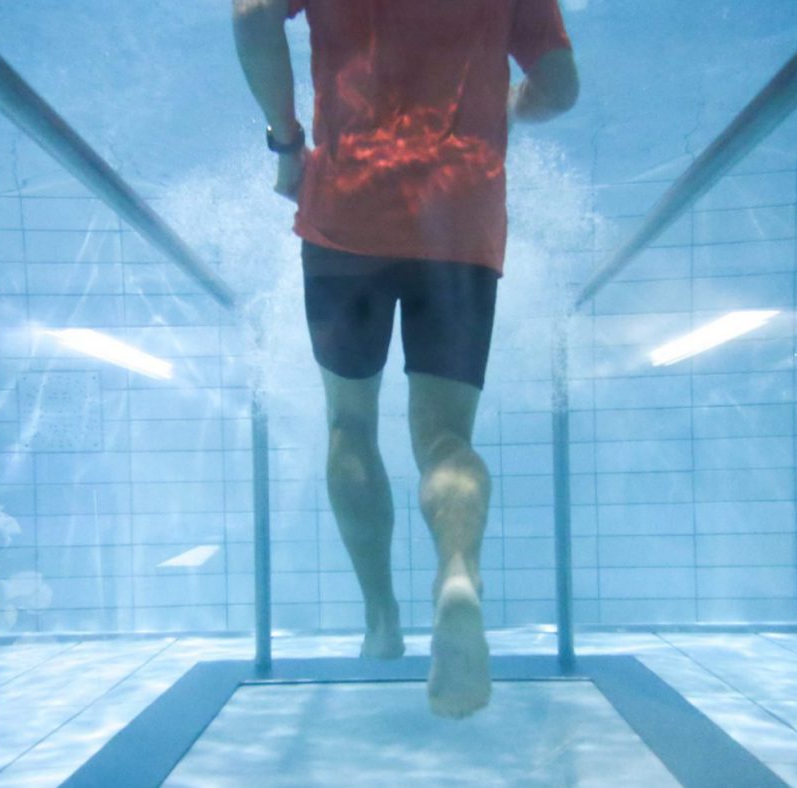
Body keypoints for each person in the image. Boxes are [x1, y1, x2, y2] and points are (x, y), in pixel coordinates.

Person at [232, 0, 578, 719]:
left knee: (349, 424)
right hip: (460, 215)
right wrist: (509, 105)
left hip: (345, 212)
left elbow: (250, 13)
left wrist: (288, 143)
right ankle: (456, 572)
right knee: (445, 437)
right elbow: (561, 86)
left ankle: (382, 620)